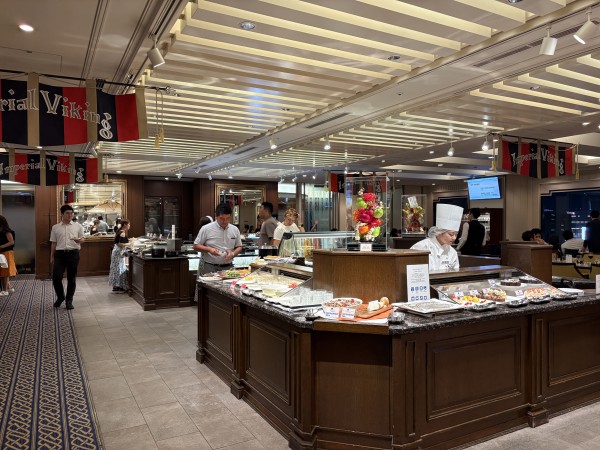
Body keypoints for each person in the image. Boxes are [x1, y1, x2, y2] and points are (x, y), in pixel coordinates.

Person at [50, 204, 85, 310]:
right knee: (56, 277)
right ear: (62, 214)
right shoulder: (55, 227)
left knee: (71, 278)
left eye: (71, 213)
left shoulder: (78, 226)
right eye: (67, 213)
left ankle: (69, 301)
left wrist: (80, 240)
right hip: (59, 254)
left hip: (73, 253)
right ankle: (61, 297)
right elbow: (53, 243)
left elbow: (82, 238)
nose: (70, 215)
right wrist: (51, 256)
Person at [411, 204, 463, 271]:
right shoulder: (420, 247)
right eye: (451, 234)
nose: (454, 238)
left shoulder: (452, 252)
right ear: (440, 232)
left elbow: (455, 273)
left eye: (456, 234)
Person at [193, 204, 242, 275]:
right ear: (216, 216)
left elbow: (239, 246)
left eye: (227, 218)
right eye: (222, 218)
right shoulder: (206, 228)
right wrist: (209, 249)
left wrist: (232, 254)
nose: (225, 221)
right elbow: (195, 246)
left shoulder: (235, 229)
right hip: (210, 267)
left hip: (228, 268)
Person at [109, 219, 132, 292]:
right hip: (119, 252)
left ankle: (116, 286)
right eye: (129, 224)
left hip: (116, 252)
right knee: (119, 269)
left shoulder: (119, 231)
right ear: (125, 224)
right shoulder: (123, 232)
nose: (129, 226)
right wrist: (129, 244)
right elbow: (120, 244)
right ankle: (119, 286)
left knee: (116, 268)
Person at [0, 215, 17, 295]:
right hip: (1, 253)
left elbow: (11, 242)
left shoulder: (7, 231)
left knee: (5, 271)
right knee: (2, 271)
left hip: (7, 252)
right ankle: (9, 287)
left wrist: (1, 247)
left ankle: (5, 290)